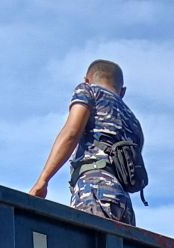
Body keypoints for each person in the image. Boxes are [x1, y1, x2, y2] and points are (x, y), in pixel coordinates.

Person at [29, 59, 144, 224]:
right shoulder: (134, 121)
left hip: (95, 189)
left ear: (86, 80)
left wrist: (43, 181)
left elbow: (71, 133)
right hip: (124, 202)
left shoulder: (89, 91)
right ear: (123, 92)